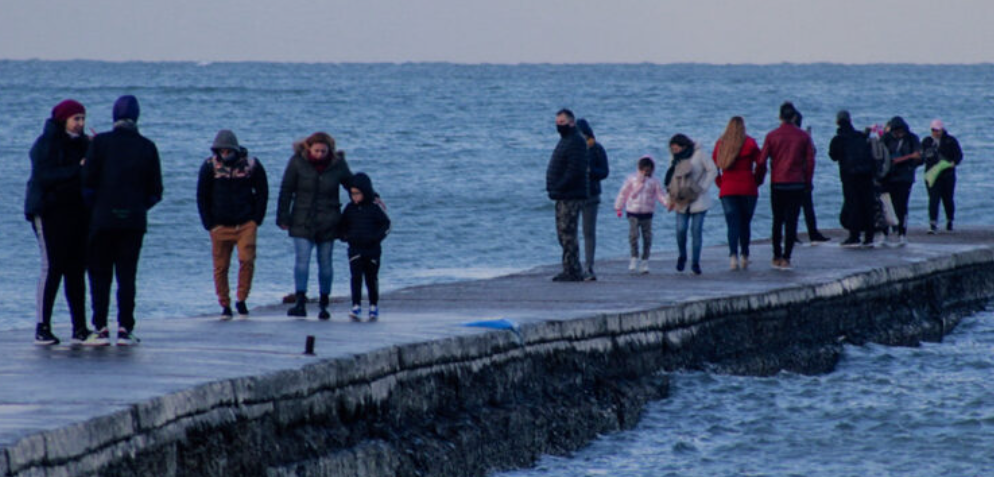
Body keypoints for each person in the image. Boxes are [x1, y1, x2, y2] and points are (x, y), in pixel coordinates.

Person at [82, 95, 163, 346]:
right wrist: (138, 207)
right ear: (136, 117)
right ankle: (125, 328)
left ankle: (100, 327)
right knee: (127, 276)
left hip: (103, 219)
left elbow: (87, 183)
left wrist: (97, 208)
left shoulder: (100, 143)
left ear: (114, 116)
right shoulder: (147, 146)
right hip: (133, 222)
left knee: (99, 275)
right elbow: (156, 191)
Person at [24, 100, 100, 345]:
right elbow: (45, 177)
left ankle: (80, 327)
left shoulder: (84, 144)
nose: (80, 123)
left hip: (77, 211)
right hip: (48, 210)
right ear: (63, 120)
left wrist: (96, 150)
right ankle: (42, 326)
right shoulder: (46, 143)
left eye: (82, 118)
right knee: (52, 266)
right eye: (75, 119)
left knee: (77, 269)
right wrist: (77, 168)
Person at [277, 131, 353, 319]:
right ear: (308, 148)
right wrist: (283, 217)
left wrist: (370, 197)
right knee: (302, 261)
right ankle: (300, 301)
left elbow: (352, 185)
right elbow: (286, 190)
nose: (320, 154)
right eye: (317, 150)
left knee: (325, 262)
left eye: (323, 151)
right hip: (302, 219)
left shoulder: (338, 164)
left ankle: (324, 303)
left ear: (329, 150)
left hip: (329, 220)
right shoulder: (297, 162)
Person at [196, 130, 268, 320]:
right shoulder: (209, 166)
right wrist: (209, 224)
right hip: (219, 225)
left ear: (235, 149)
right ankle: (225, 304)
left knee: (247, 260)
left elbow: (262, 191)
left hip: (245, 223)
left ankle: (242, 299)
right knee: (220, 267)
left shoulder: (251, 165)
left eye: (228, 151)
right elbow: (202, 196)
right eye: (221, 151)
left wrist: (256, 219)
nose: (225, 154)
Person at [755, 102, 815, 270]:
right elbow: (810, 162)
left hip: (778, 183)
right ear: (794, 117)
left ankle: (776, 255)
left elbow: (761, 161)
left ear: (780, 117)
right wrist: (808, 182)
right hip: (796, 183)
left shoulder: (772, 135)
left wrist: (759, 179)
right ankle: (787, 256)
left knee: (777, 220)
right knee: (792, 221)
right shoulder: (803, 136)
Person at [339, 173, 390, 322]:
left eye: (357, 193)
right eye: (352, 194)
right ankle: (356, 305)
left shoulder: (374, 208)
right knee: (355, 278)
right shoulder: (349, 209)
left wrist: (375, 238)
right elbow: (342, 225)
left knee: (371, 278)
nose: (354, 197)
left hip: (372, 250)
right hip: (355, 249)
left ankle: (373, 306)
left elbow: (386, 224)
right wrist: (345, 237)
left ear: (365, 192)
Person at [545, 109, 589, 282]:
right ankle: (569, 267)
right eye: (557, 122)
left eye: (562, 122)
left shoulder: (576, 141)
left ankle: (573, 270)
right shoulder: (566, 140)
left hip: (570, 194)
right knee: (563, 233)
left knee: (568, 232)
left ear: (571, 122)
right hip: (562, 194)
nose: (558, 125)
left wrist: (559, 187)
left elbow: (575, 170)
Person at [713, 116, 761, 270]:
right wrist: (757, 180)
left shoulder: (721, 144)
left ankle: (733, 256)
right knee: (745, 223)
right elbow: (761, 163)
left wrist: (720, 183)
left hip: (728, 188)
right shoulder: (750, 143)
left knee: (732, 224)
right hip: (748, 187)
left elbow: (714, 167)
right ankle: (745, 255)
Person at [665, 134, 716, 275]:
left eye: (676, 149)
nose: (674, 152)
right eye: (672, 150)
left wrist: (703, 187)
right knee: (681, 230)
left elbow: (712, 170)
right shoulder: (674, 159)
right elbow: (671, 180)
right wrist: (669, 199)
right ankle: (682, 256)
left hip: (698, 199)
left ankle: (695, 263)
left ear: (683, 146)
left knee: (696, 231)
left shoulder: (699, 154)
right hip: (681, 199)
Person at [829, 110, 877, 248]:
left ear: (838, 122)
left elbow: (833, 156)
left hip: (849, 176)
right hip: (866, 175)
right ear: (850, 120)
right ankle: (869, 236)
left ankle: (854, 235)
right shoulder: (860, 136)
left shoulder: (838, 139)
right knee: (867, 204)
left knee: (853, 204)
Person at [614, 156, 667, 274]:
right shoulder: (632, 179)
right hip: (633, 211)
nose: (646, 172)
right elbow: (623, 193)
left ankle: (645, 260)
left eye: (648, 170)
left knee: (647, 237)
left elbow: (660, 195)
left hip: (647, 212)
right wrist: (619, 207)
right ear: (639, 169)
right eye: (644, 170)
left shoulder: (654, 181)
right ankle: (634, 257)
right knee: (633, 235)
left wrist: (667, 204)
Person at [576, 118, 609, 281]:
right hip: (573, 195)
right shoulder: (572, 148)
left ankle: (589, 266)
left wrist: (591, 171)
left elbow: (604, 172)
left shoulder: (597, 149)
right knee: (570, 232)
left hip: (591, 195)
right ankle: (573, 265)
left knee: (588, 232)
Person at [880, 116, 922, 245]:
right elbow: (881, 155)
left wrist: (908, 162)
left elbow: (919, 157)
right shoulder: (886, 138)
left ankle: (901, 233)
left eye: (900, 131)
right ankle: (884, 233)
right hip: (888, 177)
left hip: (904, 177)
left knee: (901, 206)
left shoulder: (912, 139)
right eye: (895, 132)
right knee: (886, 207)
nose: (898, 134)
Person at [791, 109, 831, 245]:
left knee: (794, 209)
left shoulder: (793, 136)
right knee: (807, 207)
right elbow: (811, 155)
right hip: (802, 176)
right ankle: (812, 233)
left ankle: (794, 234)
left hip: (792, 177)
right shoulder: (804, 137)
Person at [921, 119, 963, 233]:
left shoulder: (950, 140)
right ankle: (933, 223)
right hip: (932, 175)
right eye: (933, 130)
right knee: (933, 199)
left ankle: (950, 220)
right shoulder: (927, 141)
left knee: (948, 199)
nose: (935, 132)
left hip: (947, 174)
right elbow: (922, 156)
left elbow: (959, 155)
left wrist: (953, 163)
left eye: (937, 130)